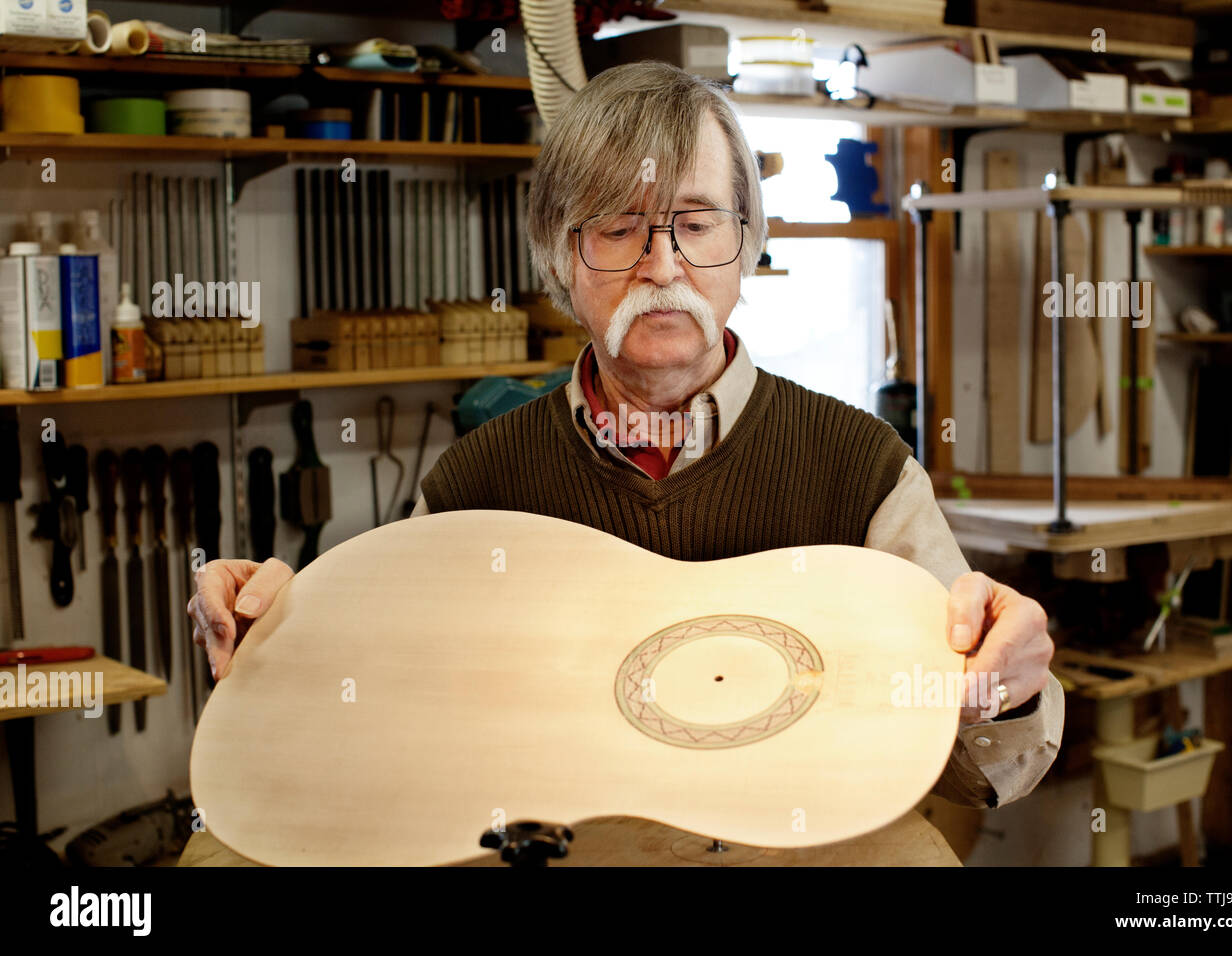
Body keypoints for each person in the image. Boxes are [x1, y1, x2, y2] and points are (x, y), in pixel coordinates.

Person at [188, 61, 1062, 845]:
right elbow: (385, 717)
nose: (661, 265)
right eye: (617, 230)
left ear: (747, 243)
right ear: (560, 259)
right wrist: (279, 645)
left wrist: (1007, 684)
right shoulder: (478, 485)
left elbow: (979, 769)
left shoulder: (859, 467)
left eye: (696, 223)